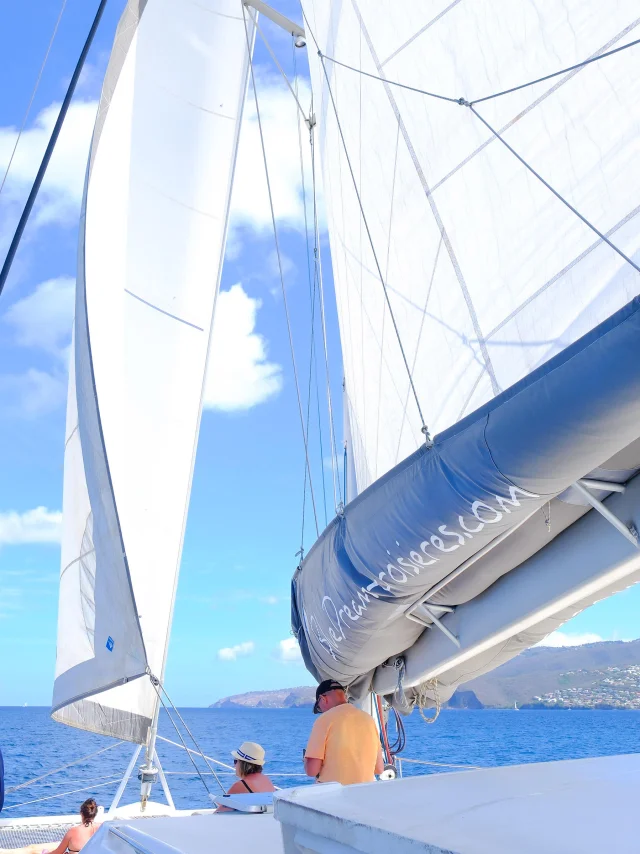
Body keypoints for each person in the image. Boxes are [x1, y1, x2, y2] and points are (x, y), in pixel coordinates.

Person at [304, 680, 384, 785]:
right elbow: (379, 768)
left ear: (323, 699)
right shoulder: (369, 720)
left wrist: (306, 761)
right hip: (364, 792)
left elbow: (311, 770)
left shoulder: (324, 720)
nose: (321, 711)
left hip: (333, 795)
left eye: (319, 708)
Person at [0, 798, 100, 854]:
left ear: (81, 813)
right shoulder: (102, 828)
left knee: (33, 850)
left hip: (66, 850)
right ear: (95, 814)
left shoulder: (73, 831)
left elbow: (58, 852)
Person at [216, 742, 275, 812]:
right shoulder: (266, 780)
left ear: (243, 764)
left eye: (235, 761)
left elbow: (218, 814)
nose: (234, 765)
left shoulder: (241, 785)